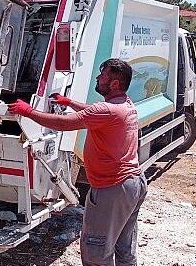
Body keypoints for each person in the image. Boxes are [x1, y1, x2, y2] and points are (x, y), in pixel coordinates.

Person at [8, 58, 147, 266]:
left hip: (112, 189)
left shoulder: (107, 110)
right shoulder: (125, 104)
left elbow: (65, 124)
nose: (98, 78)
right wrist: (70, 103)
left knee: (96, 253)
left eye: (103, 75)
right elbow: (93, 111)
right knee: (124, 248)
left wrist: (28, 111)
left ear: (115, 83)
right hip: (133, 184)